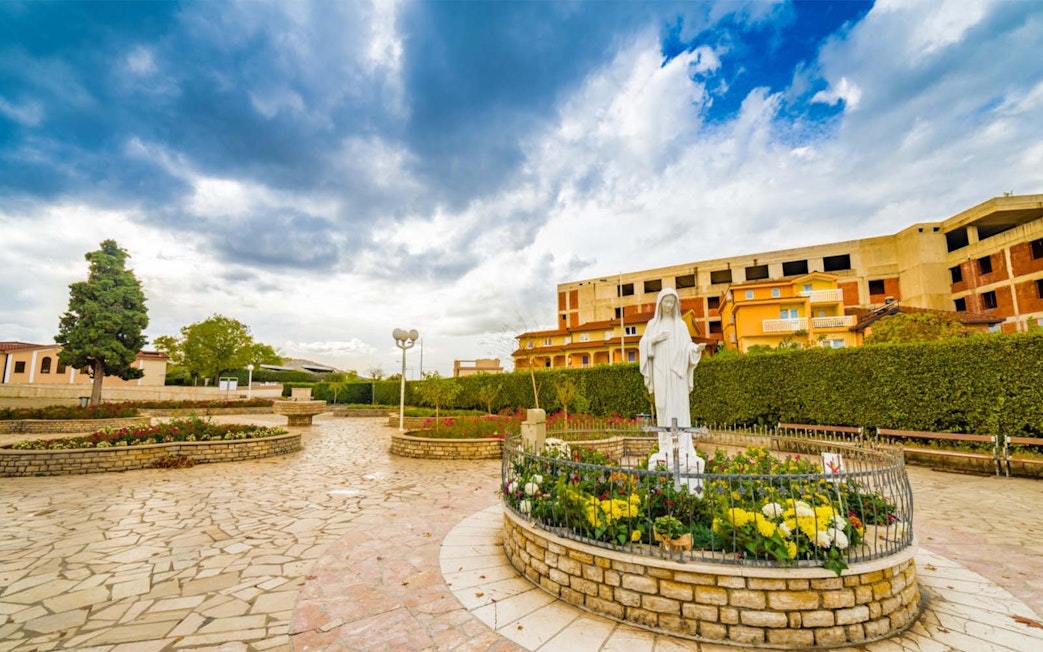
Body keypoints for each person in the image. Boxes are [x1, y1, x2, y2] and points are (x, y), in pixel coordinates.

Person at [638, 288, 706, 428]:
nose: (669, 305)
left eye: (672, 302)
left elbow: (687, 345)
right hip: (660, 367)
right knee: (661, 404)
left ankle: (680, 443)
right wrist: (654, 339)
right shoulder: (653, 324)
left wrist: (695, 349)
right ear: (660, 302)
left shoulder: (680, 325)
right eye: (666, 302)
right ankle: (664, 445)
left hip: (677, 370)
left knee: (678, 404)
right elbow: (643, 343)